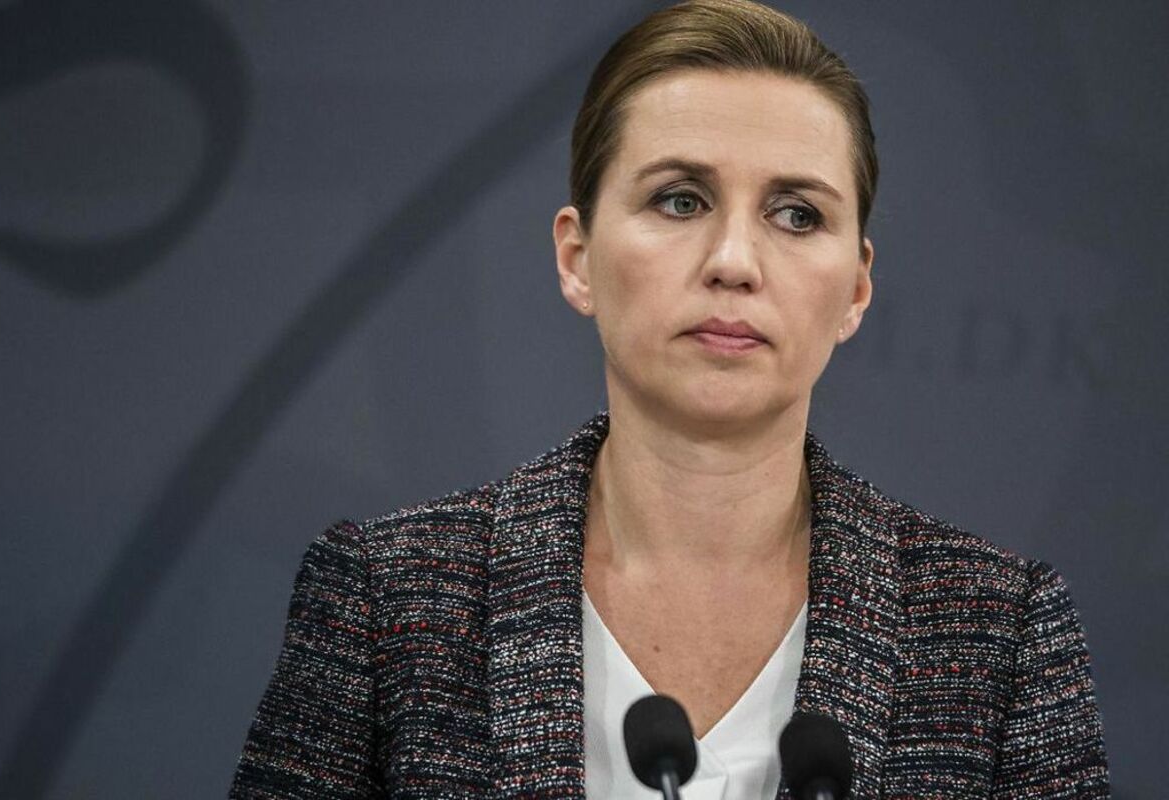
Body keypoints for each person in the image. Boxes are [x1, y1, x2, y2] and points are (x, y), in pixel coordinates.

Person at [229, 1, 1109, 797]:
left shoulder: (999, 633)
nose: (734, 261)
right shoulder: (390, 599)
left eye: (797, 214)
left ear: (855, 289)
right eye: (681, 200)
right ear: (577, 258)